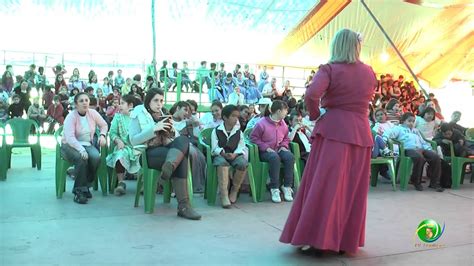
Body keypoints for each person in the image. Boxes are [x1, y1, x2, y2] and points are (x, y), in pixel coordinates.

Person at [280, 29, 376, 255]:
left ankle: (319, 240)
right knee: (351, 189)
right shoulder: (369, 72)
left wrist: (316, 115)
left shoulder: (330, 69)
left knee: (325, 185)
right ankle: (343, 241)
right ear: (357, 46)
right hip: (361, 134)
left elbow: (312, 94)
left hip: (334, 131)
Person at [129, 88, 201, 220]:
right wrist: (154, 129)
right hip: (147, 154)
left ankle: (169, 166)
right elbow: (133, 140)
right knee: (181, 159)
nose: (159, 104)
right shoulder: (137, 113)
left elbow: (175, 139)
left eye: (161, 101)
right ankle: (184, 206)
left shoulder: (165, 114)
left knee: (183, 140)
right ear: (148, 101)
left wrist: (170, 132)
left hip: (166, 151)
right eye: (155, 100)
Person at [61, 92, 108, 204]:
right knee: (81, 158)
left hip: (87, 144)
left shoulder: (93, 113)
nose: (85, 103)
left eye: (86, 100)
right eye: (81, 101)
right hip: (69, 145)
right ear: (76, 104)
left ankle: (85, 185)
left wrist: (102, 135)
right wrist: (81, 150)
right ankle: (79, 191)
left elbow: (104, 125)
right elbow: (70, 137)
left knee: (96, 157)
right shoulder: (71, 116)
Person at [383, 112, 444, 192]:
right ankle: (416, 181)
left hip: (420, 149)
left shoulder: (416, 131)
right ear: (403, 121)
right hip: (407, 149)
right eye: (409, 121)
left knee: (435, 157)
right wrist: (384, 140)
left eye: (413, 121)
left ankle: (434, 183)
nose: (411, 123)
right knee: (419, 158)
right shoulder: (398, 128)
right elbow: (388, 133)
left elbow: (423, 142)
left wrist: (429, 149)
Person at [250, 100, 294, 203]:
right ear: (278, 111)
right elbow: (253, 138)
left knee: (289, 157)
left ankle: (287, 186)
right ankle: (274, 187)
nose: (286, 113)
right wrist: (265, 147)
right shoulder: (261, 123)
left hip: (279, 149)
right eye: (285, 111)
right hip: (265, 152)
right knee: (274, 158)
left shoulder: (283, 123)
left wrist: (284, 145)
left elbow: (286, 138)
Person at [211, 104, 248, 208]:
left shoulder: (238, 132)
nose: (236, 119)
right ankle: (224, 194)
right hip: (221, 155)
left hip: (235, 155)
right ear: (225, 118)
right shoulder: (216, 130)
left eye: (237, 116)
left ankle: (234, 190)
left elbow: (241, 146)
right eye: (233, 116)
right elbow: (214, 147)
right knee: (221, 163)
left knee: (242, 163)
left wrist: (235, 154)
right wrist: (222, 153)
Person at [106, 95, 142, 196]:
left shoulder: (137, 117)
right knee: (120, 155)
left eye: (122, 103)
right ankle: (121, 182)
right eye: (119, 103)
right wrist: (118, 140)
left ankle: (143, 183)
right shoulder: (118, 117)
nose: (119, 105)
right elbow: (112, 133)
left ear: (130, 105)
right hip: (124, 146)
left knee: (144, 155)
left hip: (137, 146)